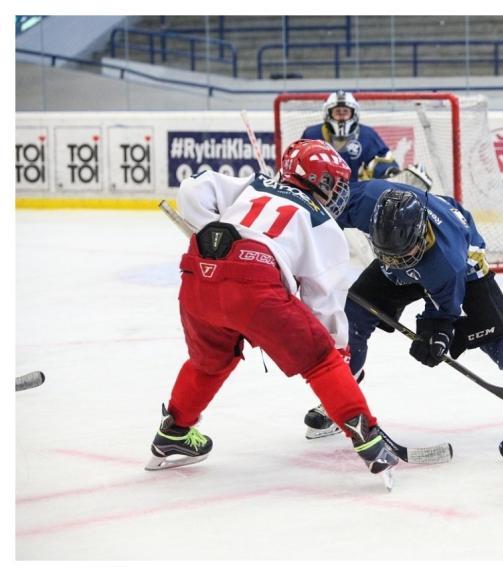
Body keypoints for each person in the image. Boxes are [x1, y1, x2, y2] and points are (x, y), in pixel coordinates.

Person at [145, 139, 399, 487]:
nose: (339, 190)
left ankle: (173, 432)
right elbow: (323, 301)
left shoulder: (254, 184)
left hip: (199, 271)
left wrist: (214, 230)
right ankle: (368, 439)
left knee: (209, 362)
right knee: (322, 360)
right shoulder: (324, 223)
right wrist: (337, 350)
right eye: (336, 182)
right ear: (322, 181)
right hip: (255, 286)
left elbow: (193, 188)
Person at [303, 177, 503, 443]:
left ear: (420, 235)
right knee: (352, 316)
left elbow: (443, 313)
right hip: (404, 252)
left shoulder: (447, 264)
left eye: (405, 254)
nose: (399, 262)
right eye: (389, 253)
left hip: (464, 269)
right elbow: (319, 216)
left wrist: (435, 337)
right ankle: (341, 398)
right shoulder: (369, 201)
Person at [301, 90, 400, 182]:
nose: (342, 116)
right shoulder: (312, 135)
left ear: (354, 114)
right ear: (328, 114)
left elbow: (383, 161)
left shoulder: (367, 135)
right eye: (337, 112)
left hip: (357, 192)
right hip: (320, 193)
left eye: (345, 112)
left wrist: (387, 171)